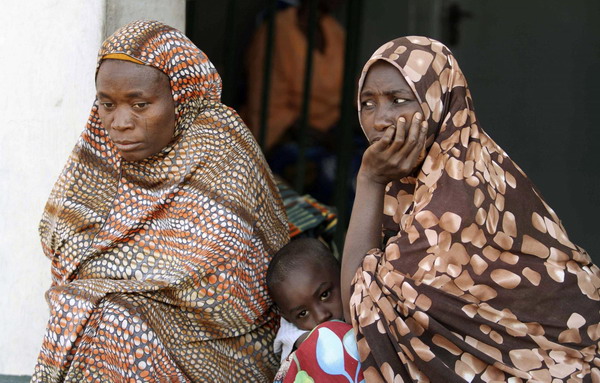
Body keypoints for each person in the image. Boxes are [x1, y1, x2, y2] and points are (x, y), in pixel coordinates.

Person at [32, 20, 288, 382]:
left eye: (140, 104)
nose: (119, 122)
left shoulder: (219, 144)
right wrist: (108, 288)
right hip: (124, 329)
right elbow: (64, 240)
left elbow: (224, 288)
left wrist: (110, 285)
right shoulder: (102, 153)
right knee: (89, 308)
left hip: (223, 345)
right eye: (107, 104)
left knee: (115, 320)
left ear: (179, 96)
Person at [340, 36, 600, 381]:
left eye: (398, 100)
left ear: (438, 102)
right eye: (368, 103)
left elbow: (360, 308)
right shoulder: (479, 161)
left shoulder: (450, 205)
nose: (379, 120)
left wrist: (369, 180)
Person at [242, 0, 354, 203]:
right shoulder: (277, 31)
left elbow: (352, 92)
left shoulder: (335, 32)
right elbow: (268, 105)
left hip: (333, 132)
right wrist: (320, 137)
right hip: (287, 137)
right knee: (332, 179)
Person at [267, 237, 364, 382]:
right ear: (287, 318)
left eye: (324, 295)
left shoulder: (361, 296)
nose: (321, 317)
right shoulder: (292, 332)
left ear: (342, 275)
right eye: (303, 314)